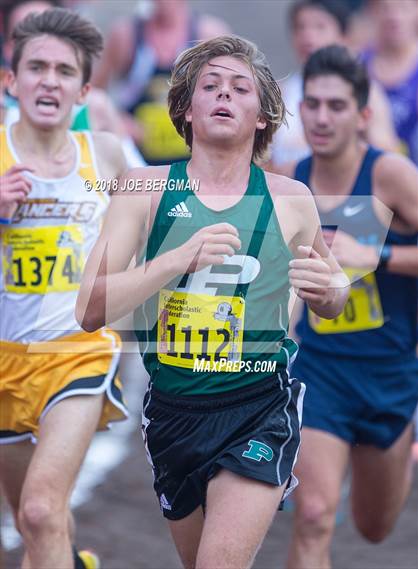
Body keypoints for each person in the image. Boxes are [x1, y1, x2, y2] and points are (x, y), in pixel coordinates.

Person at [76, 35, 349, 569]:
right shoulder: (143, 188)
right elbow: (89, 309)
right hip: (174, 411)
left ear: (264, 116)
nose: (224, 94)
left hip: (258, 405)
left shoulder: (291, 199)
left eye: (240, 87)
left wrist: (329, 290)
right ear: (185, 108)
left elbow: (334, 293)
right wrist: (173, 261)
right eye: (210, 85)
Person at [275, 45, 418, 569]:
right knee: (313, 513)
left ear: (362, 116)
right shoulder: (291, 179)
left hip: (391, 372)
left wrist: (374, 255)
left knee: (374, 528)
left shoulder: (392, 177)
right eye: (311, 104)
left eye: (335, 106)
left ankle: (398, 447)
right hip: (320, 370)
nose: (320, 117)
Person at [0, 8, 128, 569]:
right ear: (11, 80)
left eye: (63, 70)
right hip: (6, 361)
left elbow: (170, 200)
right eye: (36, 67)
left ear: (83, 88)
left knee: (40, 513)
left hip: (78, 352)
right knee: (40, 526)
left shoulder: (105, 154)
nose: (49, 79)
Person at [1, 0, 146, 168]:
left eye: (51, 29)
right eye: (27, 34)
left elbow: (144, 184)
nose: (44, 41)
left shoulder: (96, 109)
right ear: (8, 48)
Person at [93, 0, 230, 165]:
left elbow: (232, 96)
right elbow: (93, 94)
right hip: (138, 162)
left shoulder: (209, 35)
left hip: (196, 161)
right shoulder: (126, 35)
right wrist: (117, 121)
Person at [269, 0, 398, 168]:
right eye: (300, 27)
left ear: (343, 37)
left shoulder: (365, 90)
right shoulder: (279, 93)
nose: (308, 36)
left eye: (320, 27)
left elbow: (386, 152)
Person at [361, 0, 418, 166]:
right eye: (385, 8)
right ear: (372, 11)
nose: (394, 16)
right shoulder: (356, 64)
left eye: (403, 7)